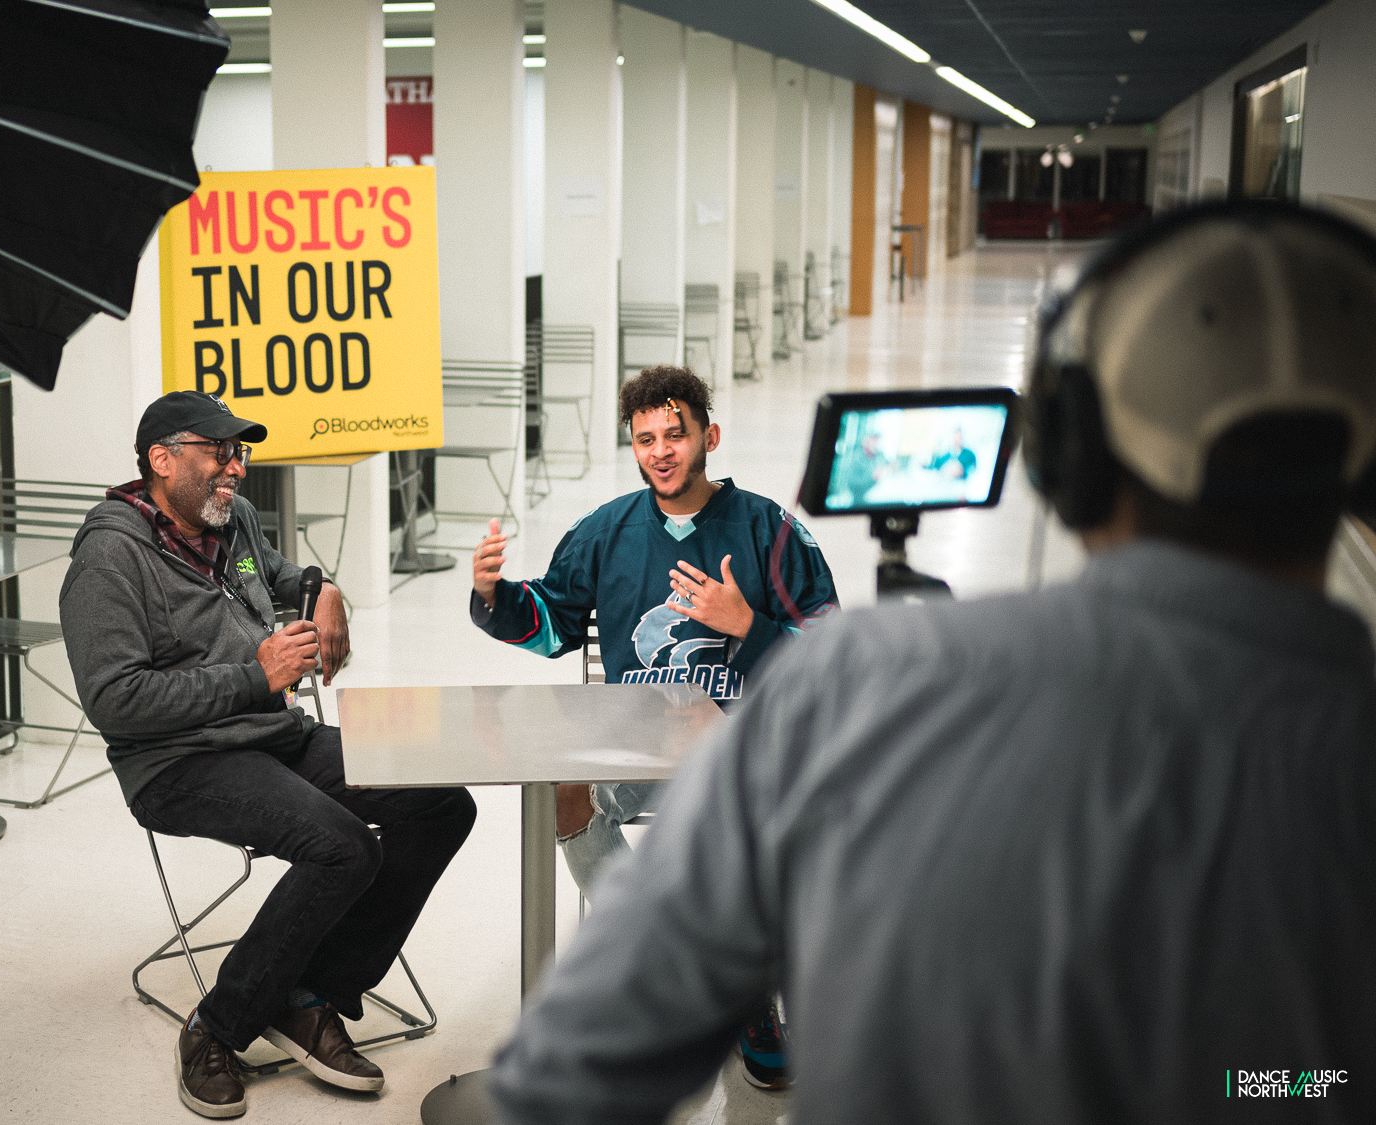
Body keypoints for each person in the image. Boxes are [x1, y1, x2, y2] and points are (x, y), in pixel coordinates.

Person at [488, 201, 1376, 1125]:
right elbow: (1316, 1082)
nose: (660, 450)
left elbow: (577, 1071)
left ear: (1069, 457)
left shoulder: (872, 684)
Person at [59, 391, 477, 1120]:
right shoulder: (109, 558)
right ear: (162, 460)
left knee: (441, 799)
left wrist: (326, 590)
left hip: (273, 736)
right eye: (219, 451)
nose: (236, 467)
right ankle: (216, 1026)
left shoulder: (232, 521)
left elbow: (284, 576)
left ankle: (310, 991)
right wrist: (258, 675)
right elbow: (116, 701)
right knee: (342, 846)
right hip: (178, 763)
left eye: (240, 452)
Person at [470, 365, 837, 1089]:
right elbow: (552, 625)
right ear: (632, 446)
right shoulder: (604, 532)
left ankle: (747, 997)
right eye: (645, 439)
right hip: (635, 747)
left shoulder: (770, 530)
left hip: (742, 750)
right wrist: (494, 594)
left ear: (709, 436)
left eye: (676, 433)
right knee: (566, 790)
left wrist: (748, 627)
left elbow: (831, 655)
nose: (661, 450)